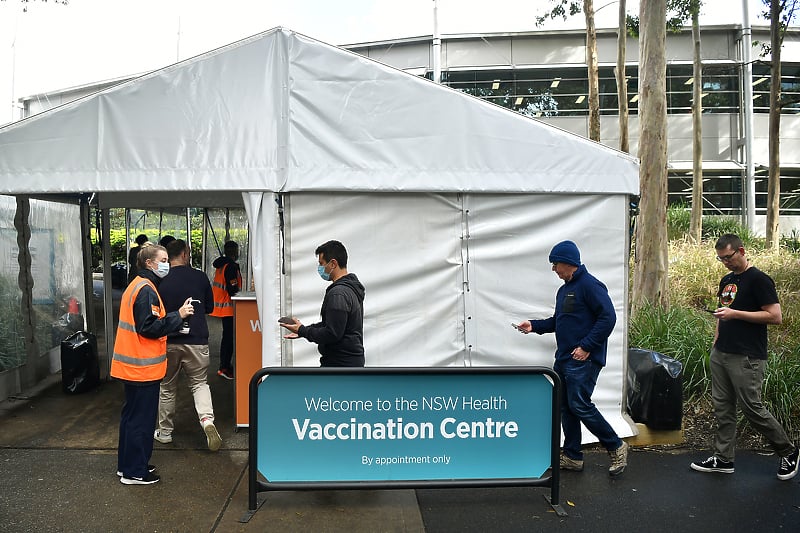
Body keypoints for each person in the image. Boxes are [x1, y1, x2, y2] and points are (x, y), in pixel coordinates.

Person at [690, 234, 799, 480]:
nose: (725, 263)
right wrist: (716, 340)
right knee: (723, 408)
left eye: (728, 257)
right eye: (721, 259)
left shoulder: (759, 280)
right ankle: (723, 458)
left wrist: (736, 314)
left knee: (752, 408)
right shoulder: (727, 280)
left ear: (741, 250)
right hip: (722, 353)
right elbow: (722, 313)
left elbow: (775, 316)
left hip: (747, 356)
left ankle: (789, 451)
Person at [515, 240, 628, 476]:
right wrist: (533, 326)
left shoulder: (590, 285)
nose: (553, 269)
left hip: (583, 360)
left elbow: (608, 318)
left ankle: (616, 446)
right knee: (566, 407)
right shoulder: (564, 290)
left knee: (580, 404)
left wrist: (587, 346)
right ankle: (573, 456)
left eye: (555, 264)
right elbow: (559, 321)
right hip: (565, 359)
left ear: (568, 263)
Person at [111, 243, 195, 485]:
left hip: (133, 366)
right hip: (142, 368)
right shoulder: (146, 290)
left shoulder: (137, 285)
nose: (167, 264)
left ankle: (127, 465)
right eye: (163, 259)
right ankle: (136, 472)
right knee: (142, 421)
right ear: (149, 263)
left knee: (130, 418)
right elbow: (148, 327)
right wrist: (178, 316)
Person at [154, 239, 222, 452]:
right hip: (197, 341)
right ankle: (207, 421)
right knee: (199, 384)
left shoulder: (159, 280)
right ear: (185, 254)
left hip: (169, 341)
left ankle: (164, 433)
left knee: (166, 387)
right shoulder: (199, 276)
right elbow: (209, 308)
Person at [280, 240, 366, 367]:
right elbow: (332, 324)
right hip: (349, 364)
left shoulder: (338, 294)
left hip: (339, 366)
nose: (320, 268)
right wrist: (302, 330)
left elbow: (332, 333)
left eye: (321, 264)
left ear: (333, 264)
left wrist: (303, 331)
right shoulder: (351, 289)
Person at [211, 240, 242, 379]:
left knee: (227, 338)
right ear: (234, 252)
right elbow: (232, 288)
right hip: (229, 308)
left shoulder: (222, 265)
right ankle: (224, 367)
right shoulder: (230, 267)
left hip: (223, 308)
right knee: (229, 339)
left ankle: (225, 365)